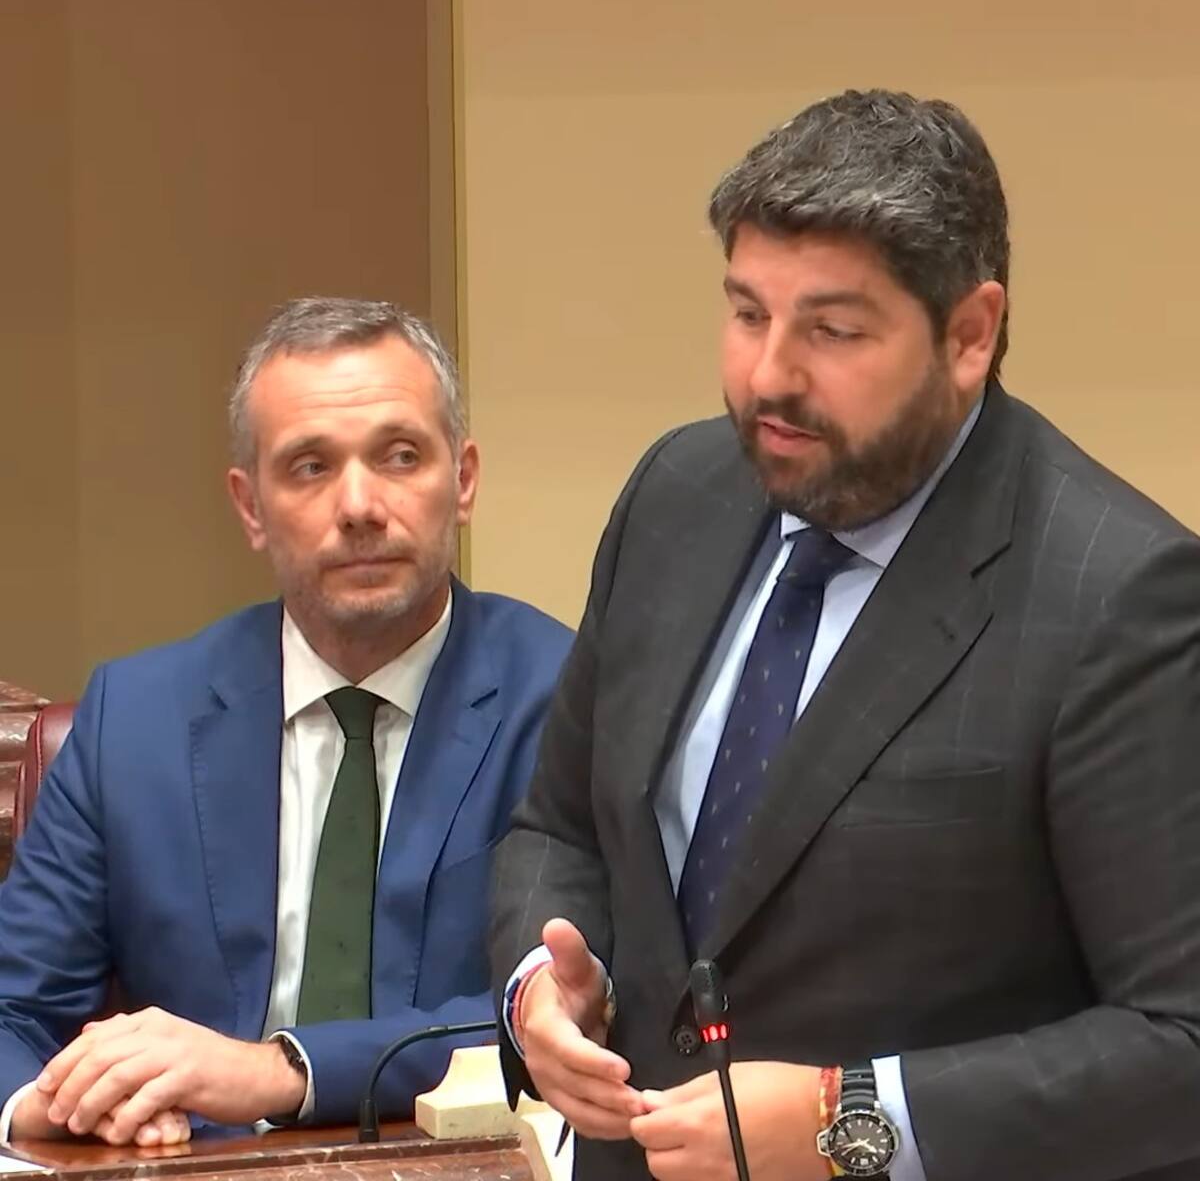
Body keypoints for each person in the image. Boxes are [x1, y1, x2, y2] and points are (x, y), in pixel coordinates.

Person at [490, 89, 1200, 1181]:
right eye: (747, 314)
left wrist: (852, 1117)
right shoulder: (678, 492)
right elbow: (562, 828)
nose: (769, 376)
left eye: (832, 330)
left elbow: (1179, 1042)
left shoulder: (1119, 595)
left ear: (970, 334)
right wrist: (542, 989)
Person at [0, 298, 572, 1147]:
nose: (360, 505)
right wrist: (48, 1103)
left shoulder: (565, 698)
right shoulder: (135, 720)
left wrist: (281, 1070)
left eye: (401, 455)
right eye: (310, 466)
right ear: (251, 507)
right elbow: (13, 1007)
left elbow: (566, 1006)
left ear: (463, 479)